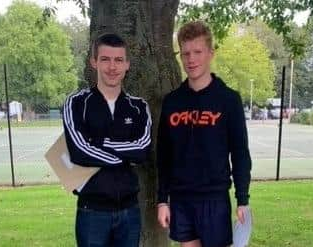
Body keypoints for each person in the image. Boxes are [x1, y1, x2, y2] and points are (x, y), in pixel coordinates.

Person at [157, 21, 252, 247]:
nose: (191, 59)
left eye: (198, 52)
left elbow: (240, 153)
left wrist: (243, 199)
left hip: (214, 200)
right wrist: (162, 200)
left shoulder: (229, 100)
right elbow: (164, 156)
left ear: (210, 53)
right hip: (181, 200)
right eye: (186, 53)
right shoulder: (172, 102)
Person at [63, 33, 152, 247]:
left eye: (118, 60)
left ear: (127, 65)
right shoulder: (76, 103)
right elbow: (78, 151)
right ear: (94, 62)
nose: (112, 67)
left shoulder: (139, 107)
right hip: (92, 211)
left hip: (130, 211)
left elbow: (142, 151)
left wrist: (99, 142)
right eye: (105, 59)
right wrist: (124, 156)